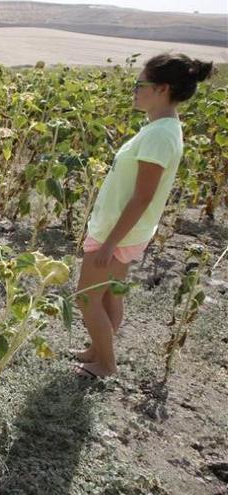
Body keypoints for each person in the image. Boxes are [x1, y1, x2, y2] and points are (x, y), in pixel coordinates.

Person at [72, 53, 214, 379]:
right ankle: (97, 350)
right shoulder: (162, 129)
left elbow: (142, 196)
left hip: (117, 230)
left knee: (85, 296)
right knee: (108, 294)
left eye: (140, 84)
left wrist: (109, 243)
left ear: (162, 89)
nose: (135, 90)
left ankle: (106, 365)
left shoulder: (159, 135)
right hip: (126, 229)